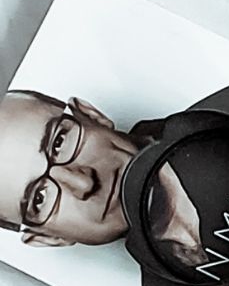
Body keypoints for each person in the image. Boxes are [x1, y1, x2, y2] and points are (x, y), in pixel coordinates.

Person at [0, 88, 207, 270]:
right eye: (39, 199)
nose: (84, 184)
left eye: (59, 142)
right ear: (50, 238)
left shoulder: (225, 114)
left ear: (91, 115)